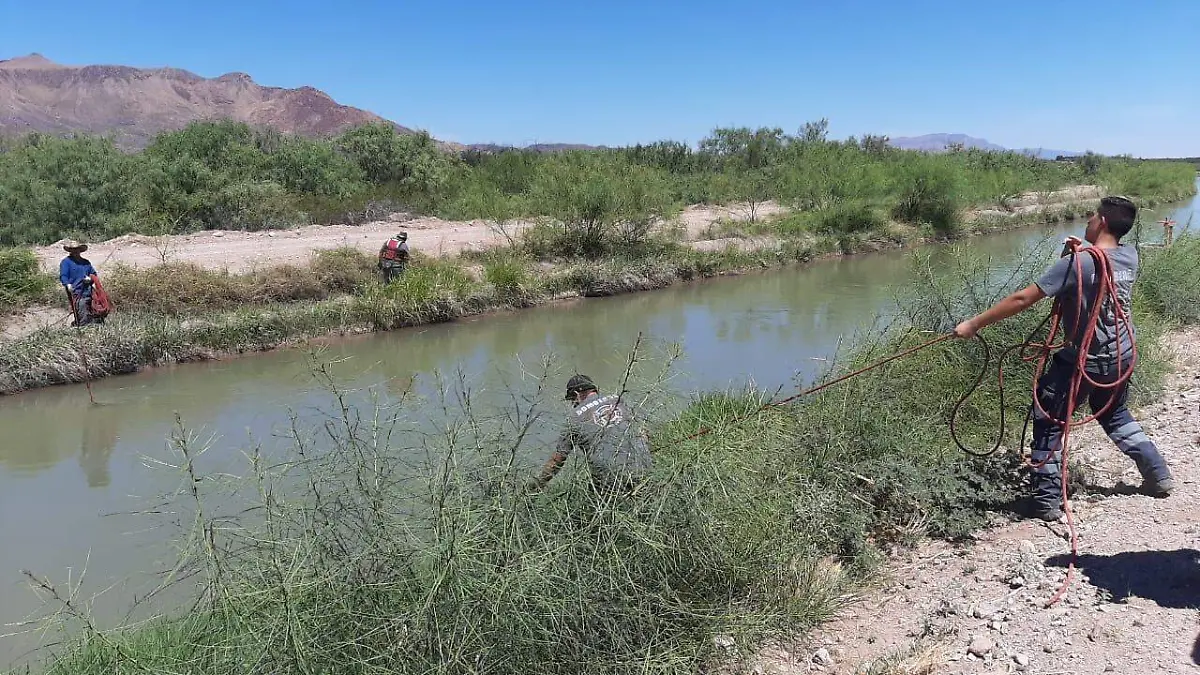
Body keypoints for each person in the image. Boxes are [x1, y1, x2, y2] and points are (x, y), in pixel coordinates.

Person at [953, 196, 1174, 521]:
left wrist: (973, 324)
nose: (1086, 222)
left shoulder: (1081, 264)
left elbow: (1022, 297)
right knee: (1114, 414)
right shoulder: (1129, 256)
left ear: (1100, 221)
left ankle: (1046, 501)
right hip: (1122, 355)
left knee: (1049, 419)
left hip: (1086, 360)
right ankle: (1157, 473)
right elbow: (1087, 284)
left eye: (1090, 218)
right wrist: (1071, 257)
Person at [530, 375, 654, 496]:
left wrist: (538, 483)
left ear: (577, 393)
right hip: (643, 469)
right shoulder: (620, 399)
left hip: (610, 481)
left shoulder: (574, 418)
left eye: (572, 399)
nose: (573, 404)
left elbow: (558, 460)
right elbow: (645, 433)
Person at [59, 240, 102, 326]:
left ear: (80, 250)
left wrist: (90, 279)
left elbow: (94, 274)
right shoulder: (66, 262)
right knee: (82, 315)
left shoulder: (86, 262)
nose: (75, 251)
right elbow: (63, 276)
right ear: (70, 251)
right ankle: (82, 330)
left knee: (97, 313)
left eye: (77, 249)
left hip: (89, 292)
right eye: (73, 249)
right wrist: (67, 284)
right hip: (76, 293)